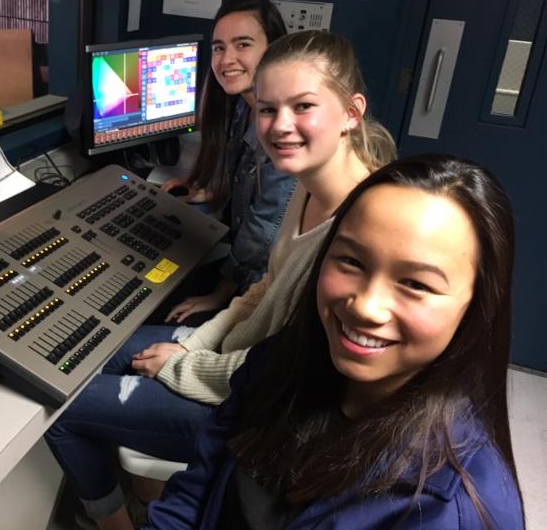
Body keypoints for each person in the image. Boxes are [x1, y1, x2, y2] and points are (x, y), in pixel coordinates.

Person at [44, 30, 397, 530]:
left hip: (262, 409)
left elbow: (288, 371)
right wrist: (195, 344)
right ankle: (146, 493)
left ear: (351, 113)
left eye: (303, 106)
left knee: (59, 408)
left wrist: (183, 368)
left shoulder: (358, 228)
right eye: (268, 110)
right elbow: (266, 291)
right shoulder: (307, 186)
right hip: (234, 361)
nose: (281, 126)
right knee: (88, 351)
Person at [147, 154, 525, 530]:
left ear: (477, 306)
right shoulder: (278, 361)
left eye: (415, 284)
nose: (365, 307)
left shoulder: (453, 512)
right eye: (351, 262)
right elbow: (196, 492)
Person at [159, 0, 295, 325]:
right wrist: (212, 191)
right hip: (241, 275)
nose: (226, 59)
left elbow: (263, 234)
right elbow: (246, 180)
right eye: (219, 47)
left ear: (274, 48)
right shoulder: (243, 107)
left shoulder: (284, 132)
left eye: (243, 44)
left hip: (259, 293)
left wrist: (219, 295)